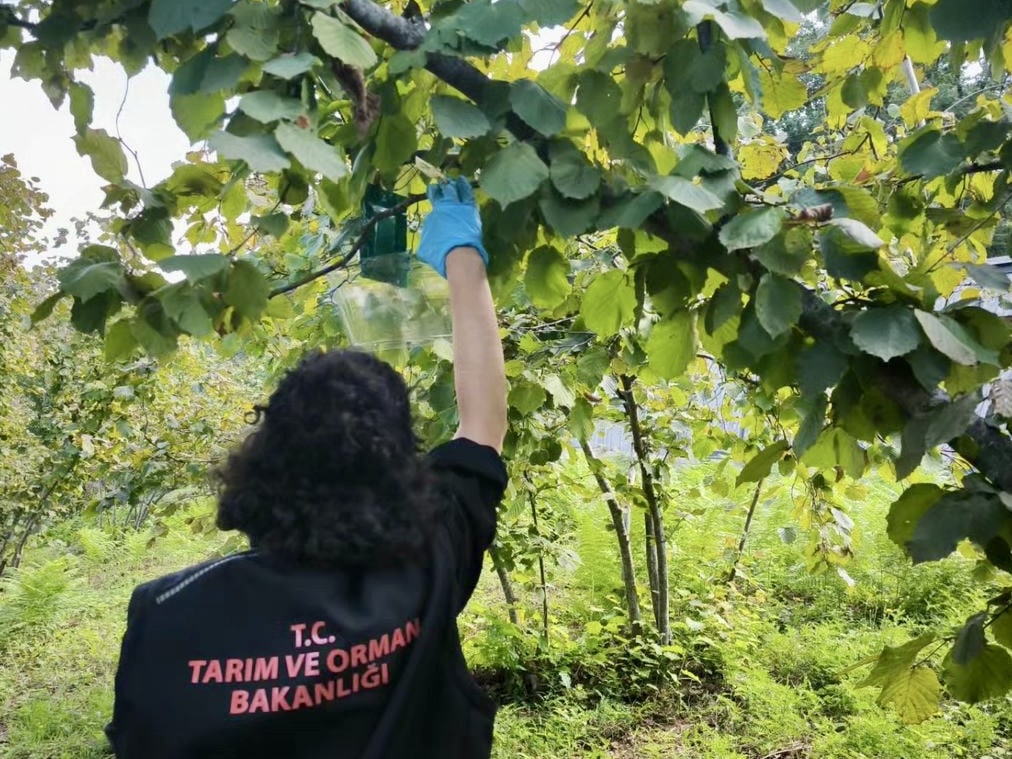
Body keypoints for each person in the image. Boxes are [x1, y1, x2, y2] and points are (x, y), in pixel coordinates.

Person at [105, 178, 508, 759]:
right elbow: (483, 428)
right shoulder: (427, 562)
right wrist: (462, 256)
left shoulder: (166, 611)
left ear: (264, 464)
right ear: (403, 471)